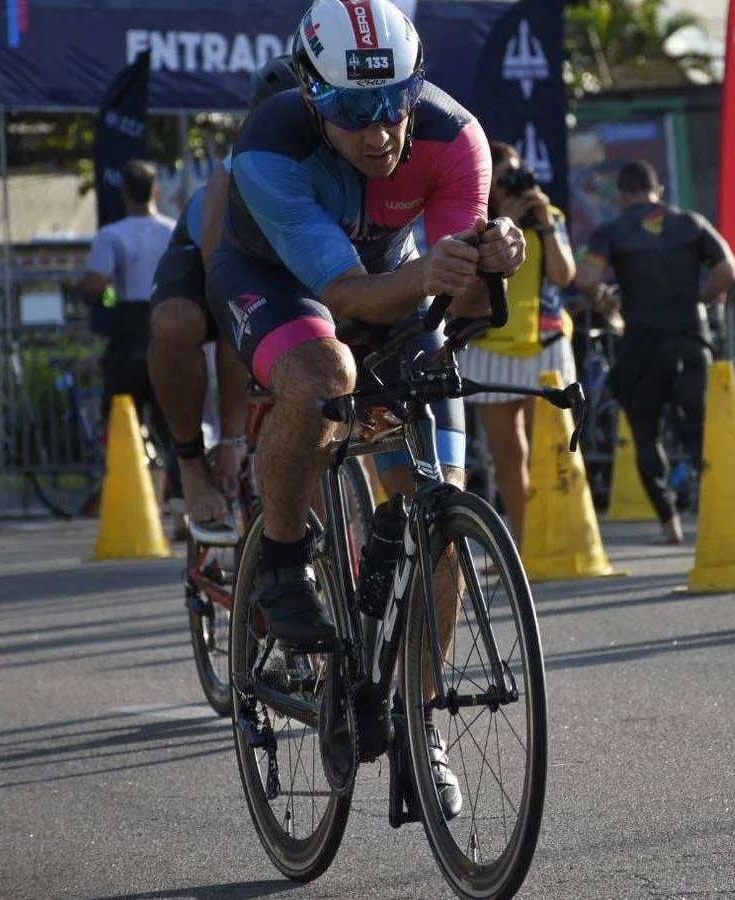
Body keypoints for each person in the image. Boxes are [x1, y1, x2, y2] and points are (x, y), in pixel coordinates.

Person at [207, 0, 525, 815]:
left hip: (390, 282)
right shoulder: (270, 148)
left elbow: (455, 302)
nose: (381, 131)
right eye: (354, 110)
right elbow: (346, 292)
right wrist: (432, 276)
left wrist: (493, 260)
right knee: (323, 376)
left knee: (435, 501)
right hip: (278, 283)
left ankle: (423, 732)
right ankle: (281, 557)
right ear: (314, 97)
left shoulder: (456, 138)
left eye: (396, 102)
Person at [149, 57, 299, 543]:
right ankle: (193, 466)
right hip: (206, 260)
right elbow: (224, 281)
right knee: (181, 323)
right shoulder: (239, 165)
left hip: (280, 267)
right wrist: (232, 439)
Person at [576, 161, 735, 544]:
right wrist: (697, 299)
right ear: (658, 189)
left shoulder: (611, 230)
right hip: (691, 339)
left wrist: (604, 301)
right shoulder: (691, 223)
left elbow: (585, 279)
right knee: (698, 432)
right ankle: (721, 517)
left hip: (642, 346)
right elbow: (728, 270)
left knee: (647, 436)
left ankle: (670, 525)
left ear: (621, 196)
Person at [464, 141, 577, 541]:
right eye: (502, 177)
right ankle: (527, 542)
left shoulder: (550, 217)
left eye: (515, 173)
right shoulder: (476, 222)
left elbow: (564, 277)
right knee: (509, 455)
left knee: (550, 447)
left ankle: (560, 540)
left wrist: (543, 221)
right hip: (490, 345)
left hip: (545, 344)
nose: (511, 183)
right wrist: (502, 225)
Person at [82, 160, 177, 472]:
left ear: (124, 192)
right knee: (174, 425)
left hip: (130, 327)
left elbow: (97, 283)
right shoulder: (174, 230)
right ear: (156, 191)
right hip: (169, 321)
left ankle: (123, 489)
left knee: (121, 418)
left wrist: (87, 291)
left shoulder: (112, 235)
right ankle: (182, 501)